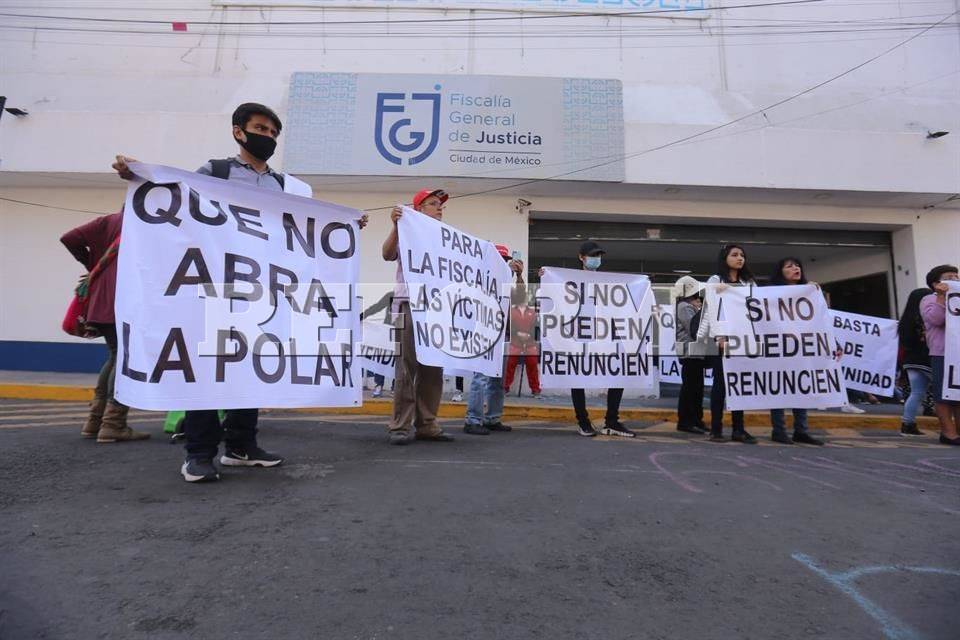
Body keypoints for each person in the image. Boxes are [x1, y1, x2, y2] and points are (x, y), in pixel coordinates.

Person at [114, 102, 368, 481]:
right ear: (239, 131)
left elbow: (304, 229)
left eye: (272, 132)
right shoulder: (215, 173)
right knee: (209, 374)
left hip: (262, 295)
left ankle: (241, 446)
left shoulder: (285, 186)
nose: (267, 136)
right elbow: (177, 202)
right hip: (217, 290)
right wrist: (139, 175)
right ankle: (198, 454)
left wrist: (343, 225)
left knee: (250, 370)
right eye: (260, 128)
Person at [61, 212, 150, 444]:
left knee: (116, 354)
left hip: (101, 296)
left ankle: (95, 420)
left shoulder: (107, 221)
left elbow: (69, 238)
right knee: (125, 358)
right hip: (125, 297)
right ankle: (113, 424)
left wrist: (94, 266)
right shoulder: (146, 222)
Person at [382, 189, 456, 445]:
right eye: (433, 204)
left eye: (440, 205)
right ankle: (400, 425)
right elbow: (387, 254)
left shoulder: (446, 239)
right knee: (406, 366)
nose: (439, 208)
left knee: (433, 368)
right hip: (409, 304)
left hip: (436, 308)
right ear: (419, 209)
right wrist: (395, 225)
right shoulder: (407, 231)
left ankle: (427, 423)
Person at [567, 241, 634, 438]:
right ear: (581, 257)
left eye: (599, 256)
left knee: (617, 371)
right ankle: (583, 421)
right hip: (580, 336)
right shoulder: (569, 280)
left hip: (604, 334)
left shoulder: (608, 281)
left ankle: (612, 421)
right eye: (592, 255)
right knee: (577, 377)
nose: (596, 259)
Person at [697, 244, 757, 444]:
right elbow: (712, 310)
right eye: (734, 254)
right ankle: (716, 429)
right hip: (722, 340)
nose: (740, 258)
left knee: (738, 384)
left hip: (743, 339)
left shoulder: (749, 282)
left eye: (742, 255)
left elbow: (757, 307)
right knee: (720, 385)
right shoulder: (716, 280)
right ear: (725, 258)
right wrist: (719, 337)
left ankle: (739, 429)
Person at [463, 244, 524, 435]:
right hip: (483, 331)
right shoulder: (481, 279)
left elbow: (520, 297)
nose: (504, 265)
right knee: (481, 377)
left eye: (506, 262)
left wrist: (519, 276)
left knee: (497, 378)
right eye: (501, 261)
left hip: (501, 334)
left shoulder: (506, 282)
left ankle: (492, 417)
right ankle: (472, 419)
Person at [765, 257, 824, 445]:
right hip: (779, 348)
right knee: (780, 389)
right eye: (789, 266)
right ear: (780, 272)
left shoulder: (810, 292)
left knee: (801, 387)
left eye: (797, 265)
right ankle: (779, 430)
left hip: (801, 348)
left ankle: (801, 430)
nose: (795, 268)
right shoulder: (771, 292)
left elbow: (821, 320)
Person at [919, 265, 960, 446]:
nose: (956, 279)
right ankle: (948, 432)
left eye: (957, 277)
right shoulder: (929, 299)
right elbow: (936, 319)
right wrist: (942, 297)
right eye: (950, 277)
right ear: (936, 283)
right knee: (943, 396)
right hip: (942, 353)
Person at [673, 276, 708, 435]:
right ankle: (685, 421)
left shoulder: (691, 305)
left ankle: (696, 420)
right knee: (690, 388)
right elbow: (694, 329)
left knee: (697, 388)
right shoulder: (684, 306)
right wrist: (700, 310)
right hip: (689, 351)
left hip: (697, 352)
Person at [898, 287, 933, 436]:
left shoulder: (905, 321)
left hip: (910, 361)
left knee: (916, 393)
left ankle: (908, 424)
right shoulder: (925, 318)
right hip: (927, 359)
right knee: (946, 393)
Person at [503, 284, 541, 399]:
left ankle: (535, 390)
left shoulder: (532, 312)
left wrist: (529, 335)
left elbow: (535, 326)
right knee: (510, 364)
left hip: (529, 344)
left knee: (532, 364)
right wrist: (517, 333)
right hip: (515, 342)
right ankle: (505, 388)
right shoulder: (512, 312)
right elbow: (509, 326)